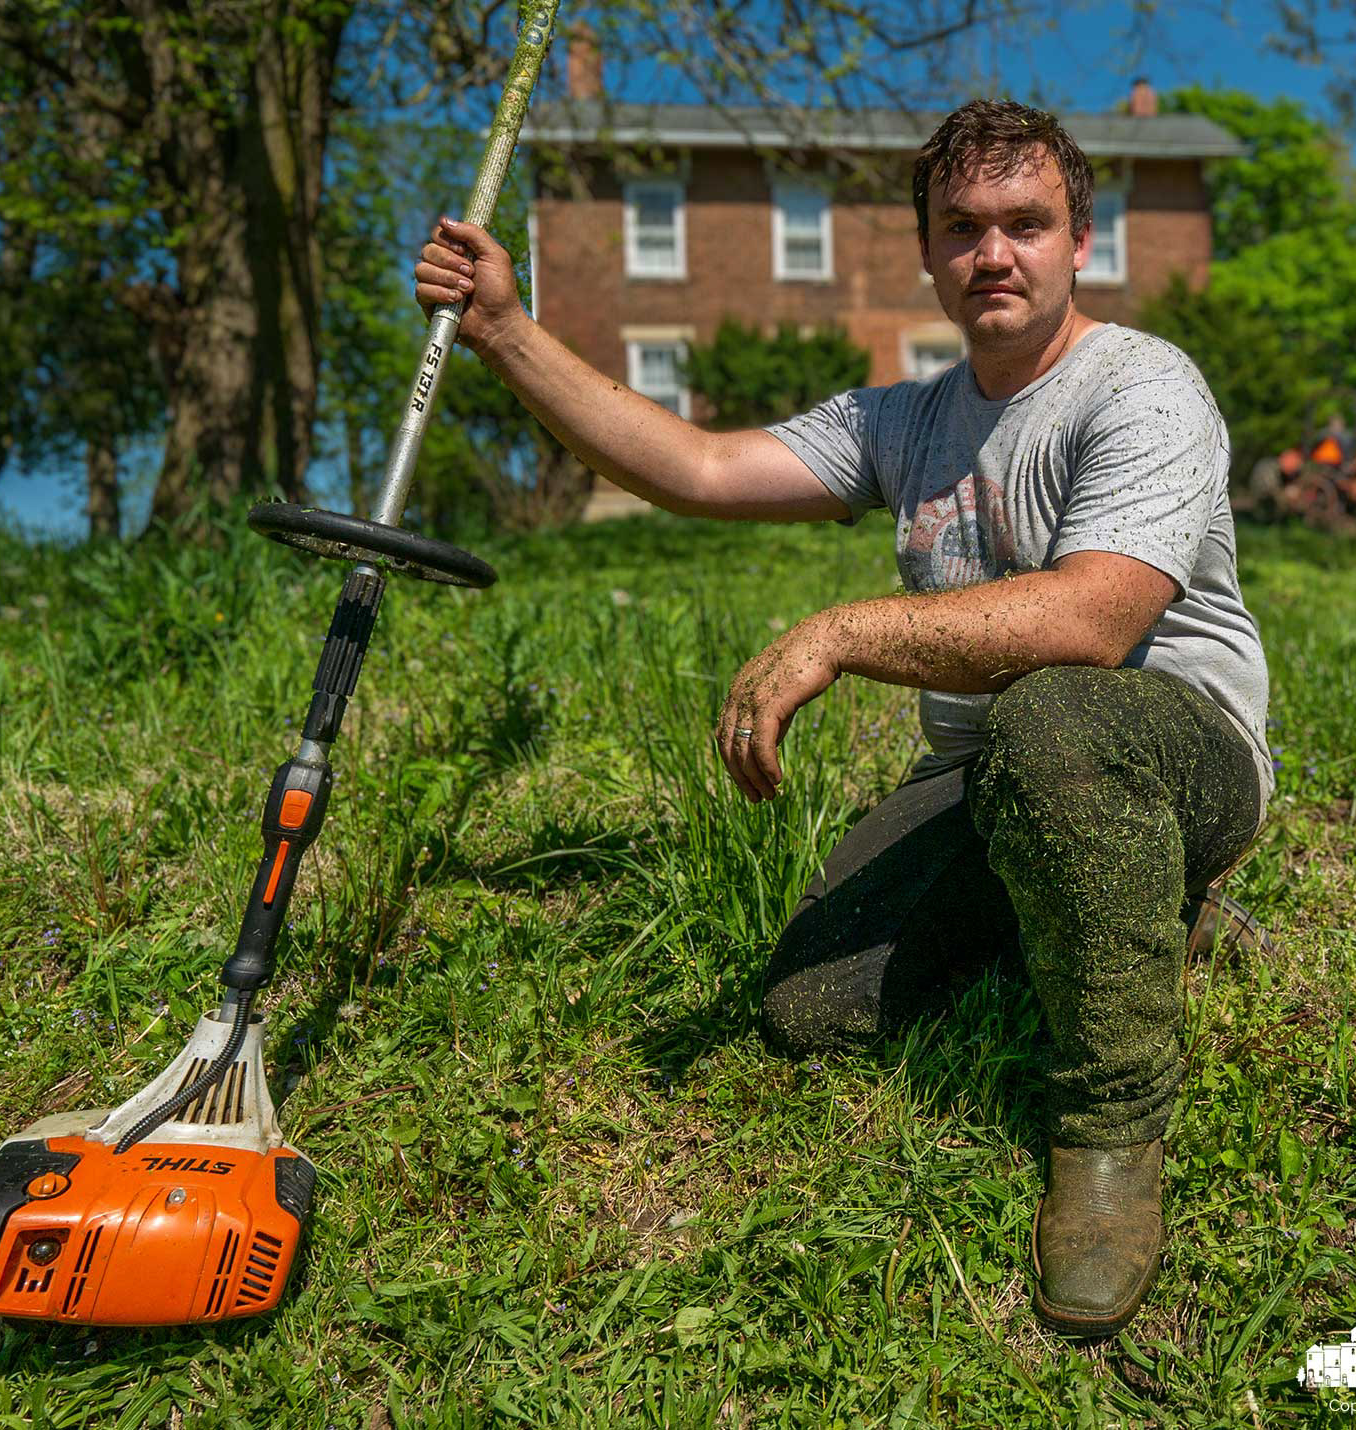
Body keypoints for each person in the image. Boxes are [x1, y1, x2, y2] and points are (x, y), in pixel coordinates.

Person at [415, 98, 1274, 1340]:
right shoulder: (905, 420)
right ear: (928, 253)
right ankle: (1096, 900)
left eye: (1025, 223)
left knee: (1055, 722)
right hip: (993, 773)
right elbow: (699, 468)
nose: (994, 253)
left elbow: (1093, 620)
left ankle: (1110, 1120)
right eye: (963, 227)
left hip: (1169, 744)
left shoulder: (1143, 386)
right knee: (812, 1007)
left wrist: (842, 630)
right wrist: (503, 330)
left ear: (1079, 239)